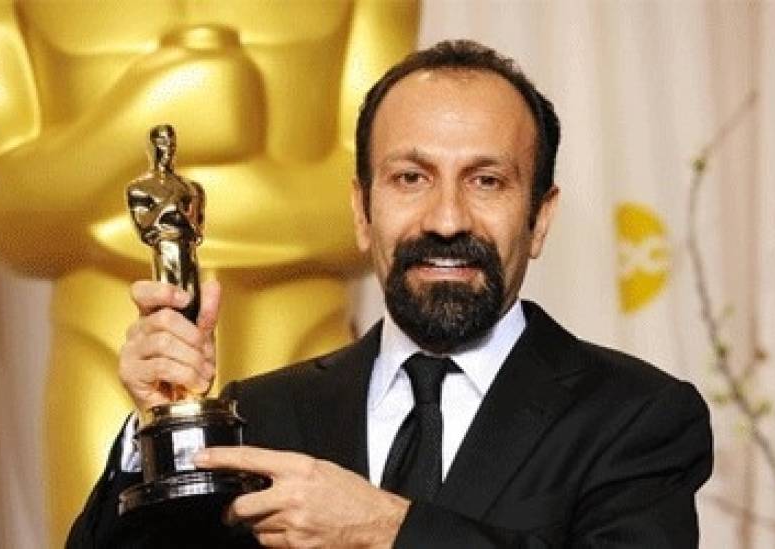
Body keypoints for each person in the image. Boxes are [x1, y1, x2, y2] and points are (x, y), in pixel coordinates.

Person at [69, 40, 712, 548]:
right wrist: (155, 431)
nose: (447, 219)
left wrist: (387, 530)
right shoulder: (262, 415)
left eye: (486, 181)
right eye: (411, 178)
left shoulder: (638, 416)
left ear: (539, 219)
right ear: (361, 211)